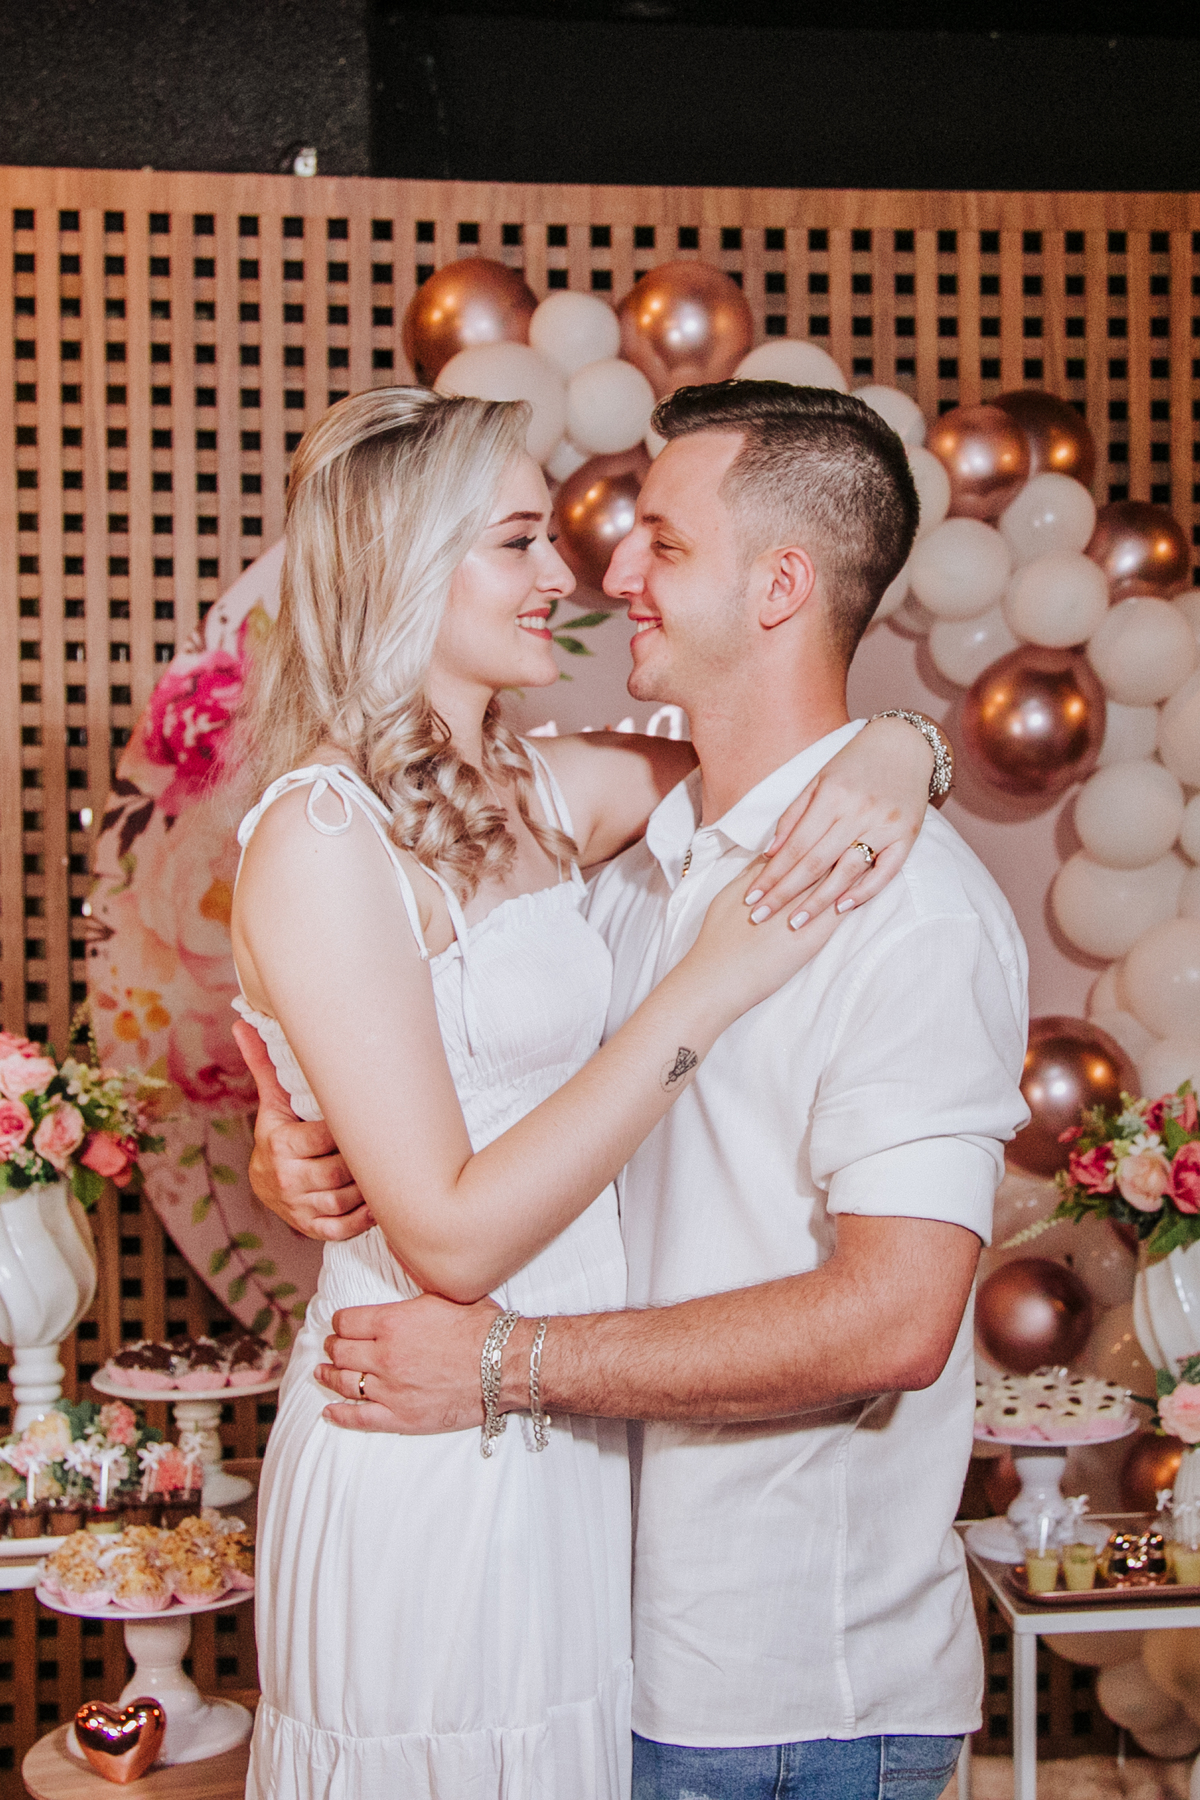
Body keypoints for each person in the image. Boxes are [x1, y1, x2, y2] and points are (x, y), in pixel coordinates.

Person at [250, 381, 1030, 1800]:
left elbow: (898, 1320)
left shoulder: (887, 903)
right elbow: (466, 1089)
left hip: (781, 1673)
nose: (598, 572)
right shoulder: (643, 853)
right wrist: (301, 1119)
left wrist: (907, 747)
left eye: (657, 543)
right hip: (547, 1537)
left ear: (778, 585)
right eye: (526, 541)